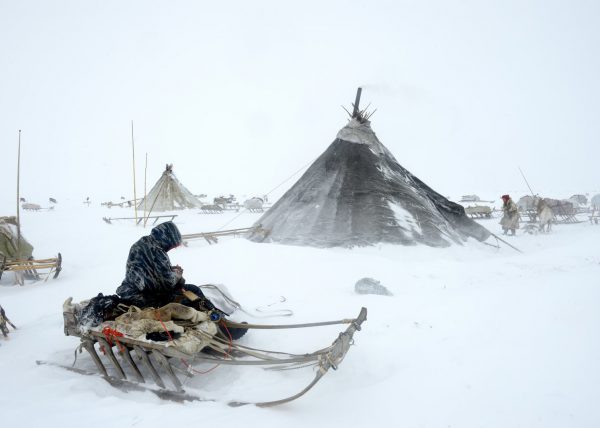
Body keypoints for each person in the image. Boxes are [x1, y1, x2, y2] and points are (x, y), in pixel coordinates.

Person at [116, 221, 247, 338]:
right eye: (173, 245)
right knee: (193, 297)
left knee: (190, 292)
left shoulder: (143, 243)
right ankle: (221, 328)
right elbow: (165, 284)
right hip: (145, 298)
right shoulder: (156, 251)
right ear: (166, 238)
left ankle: (220, 322)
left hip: (136, 291)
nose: (172, 248)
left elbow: (152, 272)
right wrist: (177, 274)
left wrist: (171, 271)